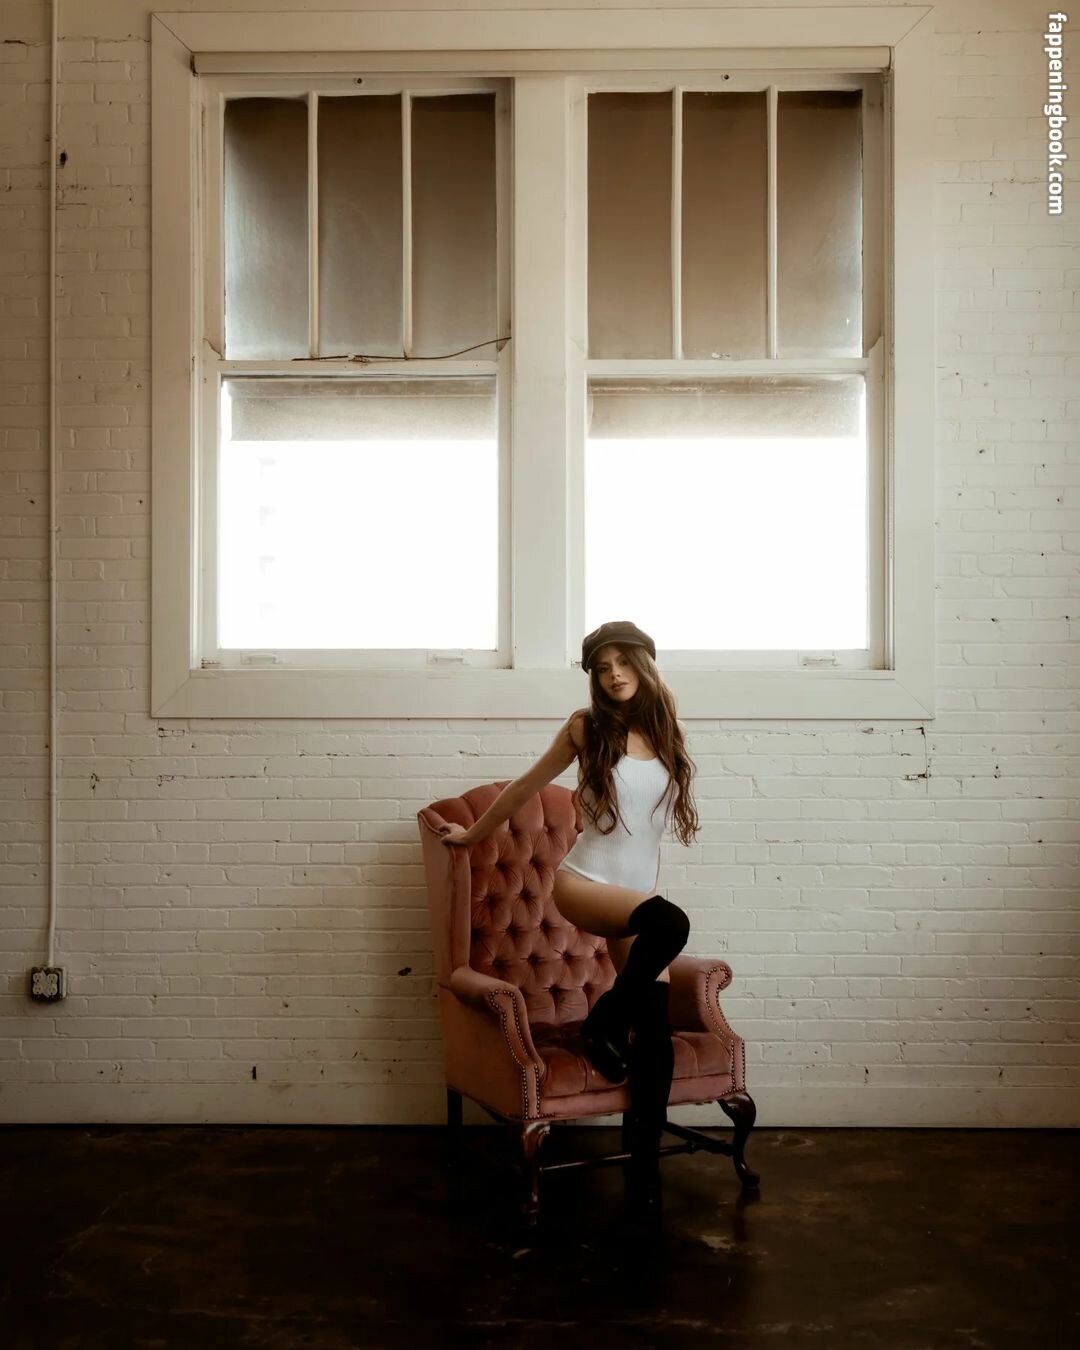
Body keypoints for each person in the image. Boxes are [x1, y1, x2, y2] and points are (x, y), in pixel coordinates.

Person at [439, 620, 700, 1225]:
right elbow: (524, 787)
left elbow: (649, 832)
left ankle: (645, 1172)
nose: (613, 675)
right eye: (602, 668)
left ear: (645, 665)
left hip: (632, 896)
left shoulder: (667, 729)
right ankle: (603, 1020)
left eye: (623, 663)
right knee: (672, 924)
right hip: (584, 884)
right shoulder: (588, 728)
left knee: (654, 1032)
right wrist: (470, 836)